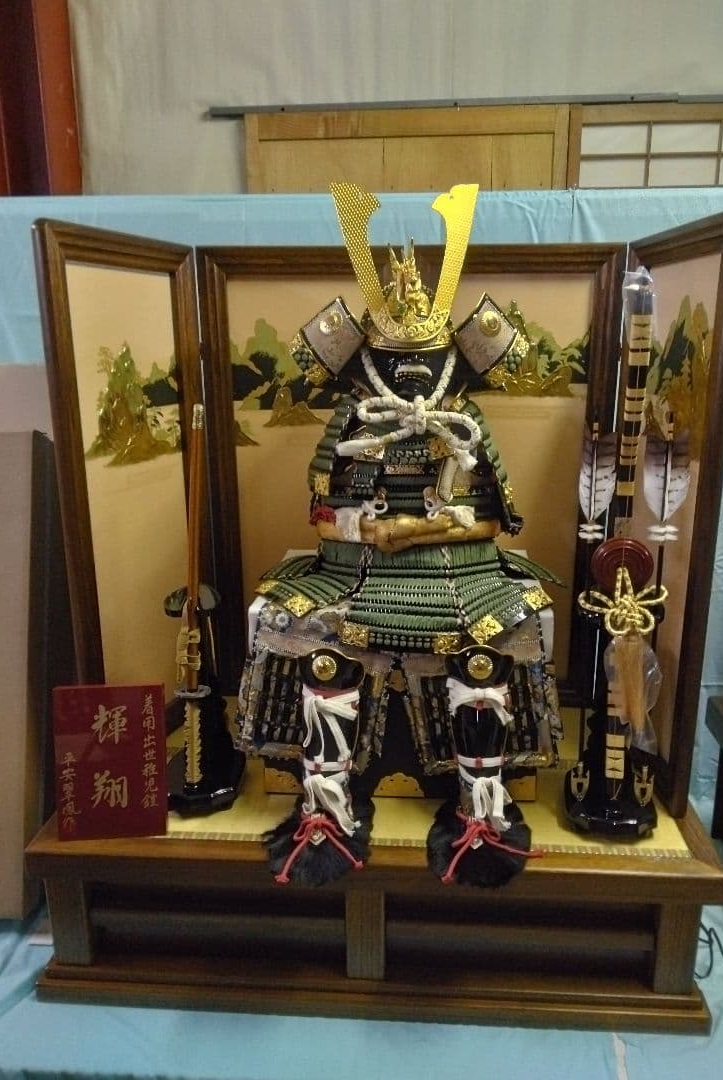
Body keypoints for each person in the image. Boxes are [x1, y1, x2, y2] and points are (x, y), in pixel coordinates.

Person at [235, 182, 562, 886]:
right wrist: (372, 528)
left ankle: (481, 809)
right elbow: (322, 514)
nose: (411, 380)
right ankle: (327, 807)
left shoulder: (464, 425)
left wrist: (422, 527)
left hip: (464, 575)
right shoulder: (352, 422)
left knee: (482, 667)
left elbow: (496, 520)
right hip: (352, 573)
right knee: (324, 660)